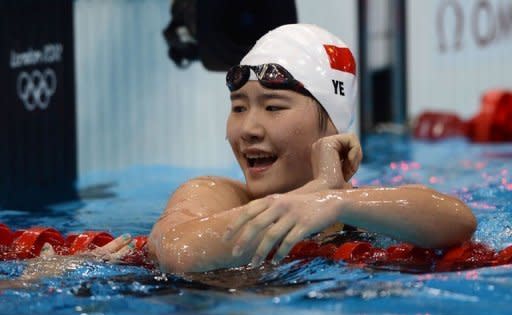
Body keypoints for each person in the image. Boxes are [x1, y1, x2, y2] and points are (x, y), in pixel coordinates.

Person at [147, 24, 477, 273]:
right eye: (238, 108)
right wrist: (315, 191)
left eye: (273, 107)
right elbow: (179, 250)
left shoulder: (362, 210)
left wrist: (332, 201)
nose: (248, 129)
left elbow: (460, 222)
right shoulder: (214, 194)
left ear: (332, 126)